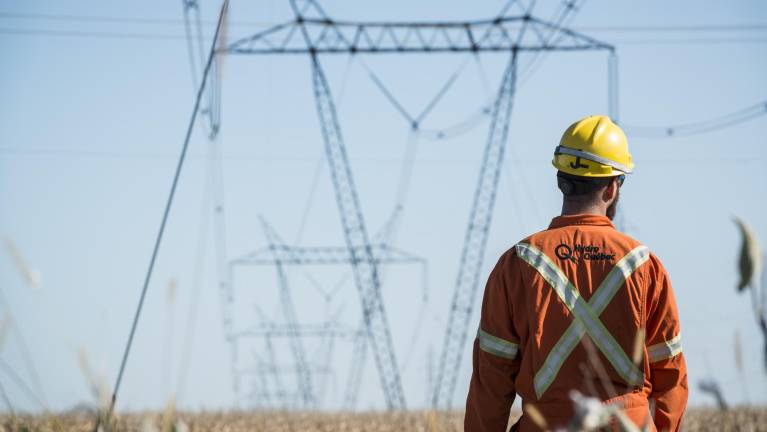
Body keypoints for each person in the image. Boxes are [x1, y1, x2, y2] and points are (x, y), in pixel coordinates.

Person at [464, 115, 688, 431]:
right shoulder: (646, 266)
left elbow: (491, 379)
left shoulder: (517, 264)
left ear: (561, 180)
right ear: (613, 188)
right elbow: (670, 376)